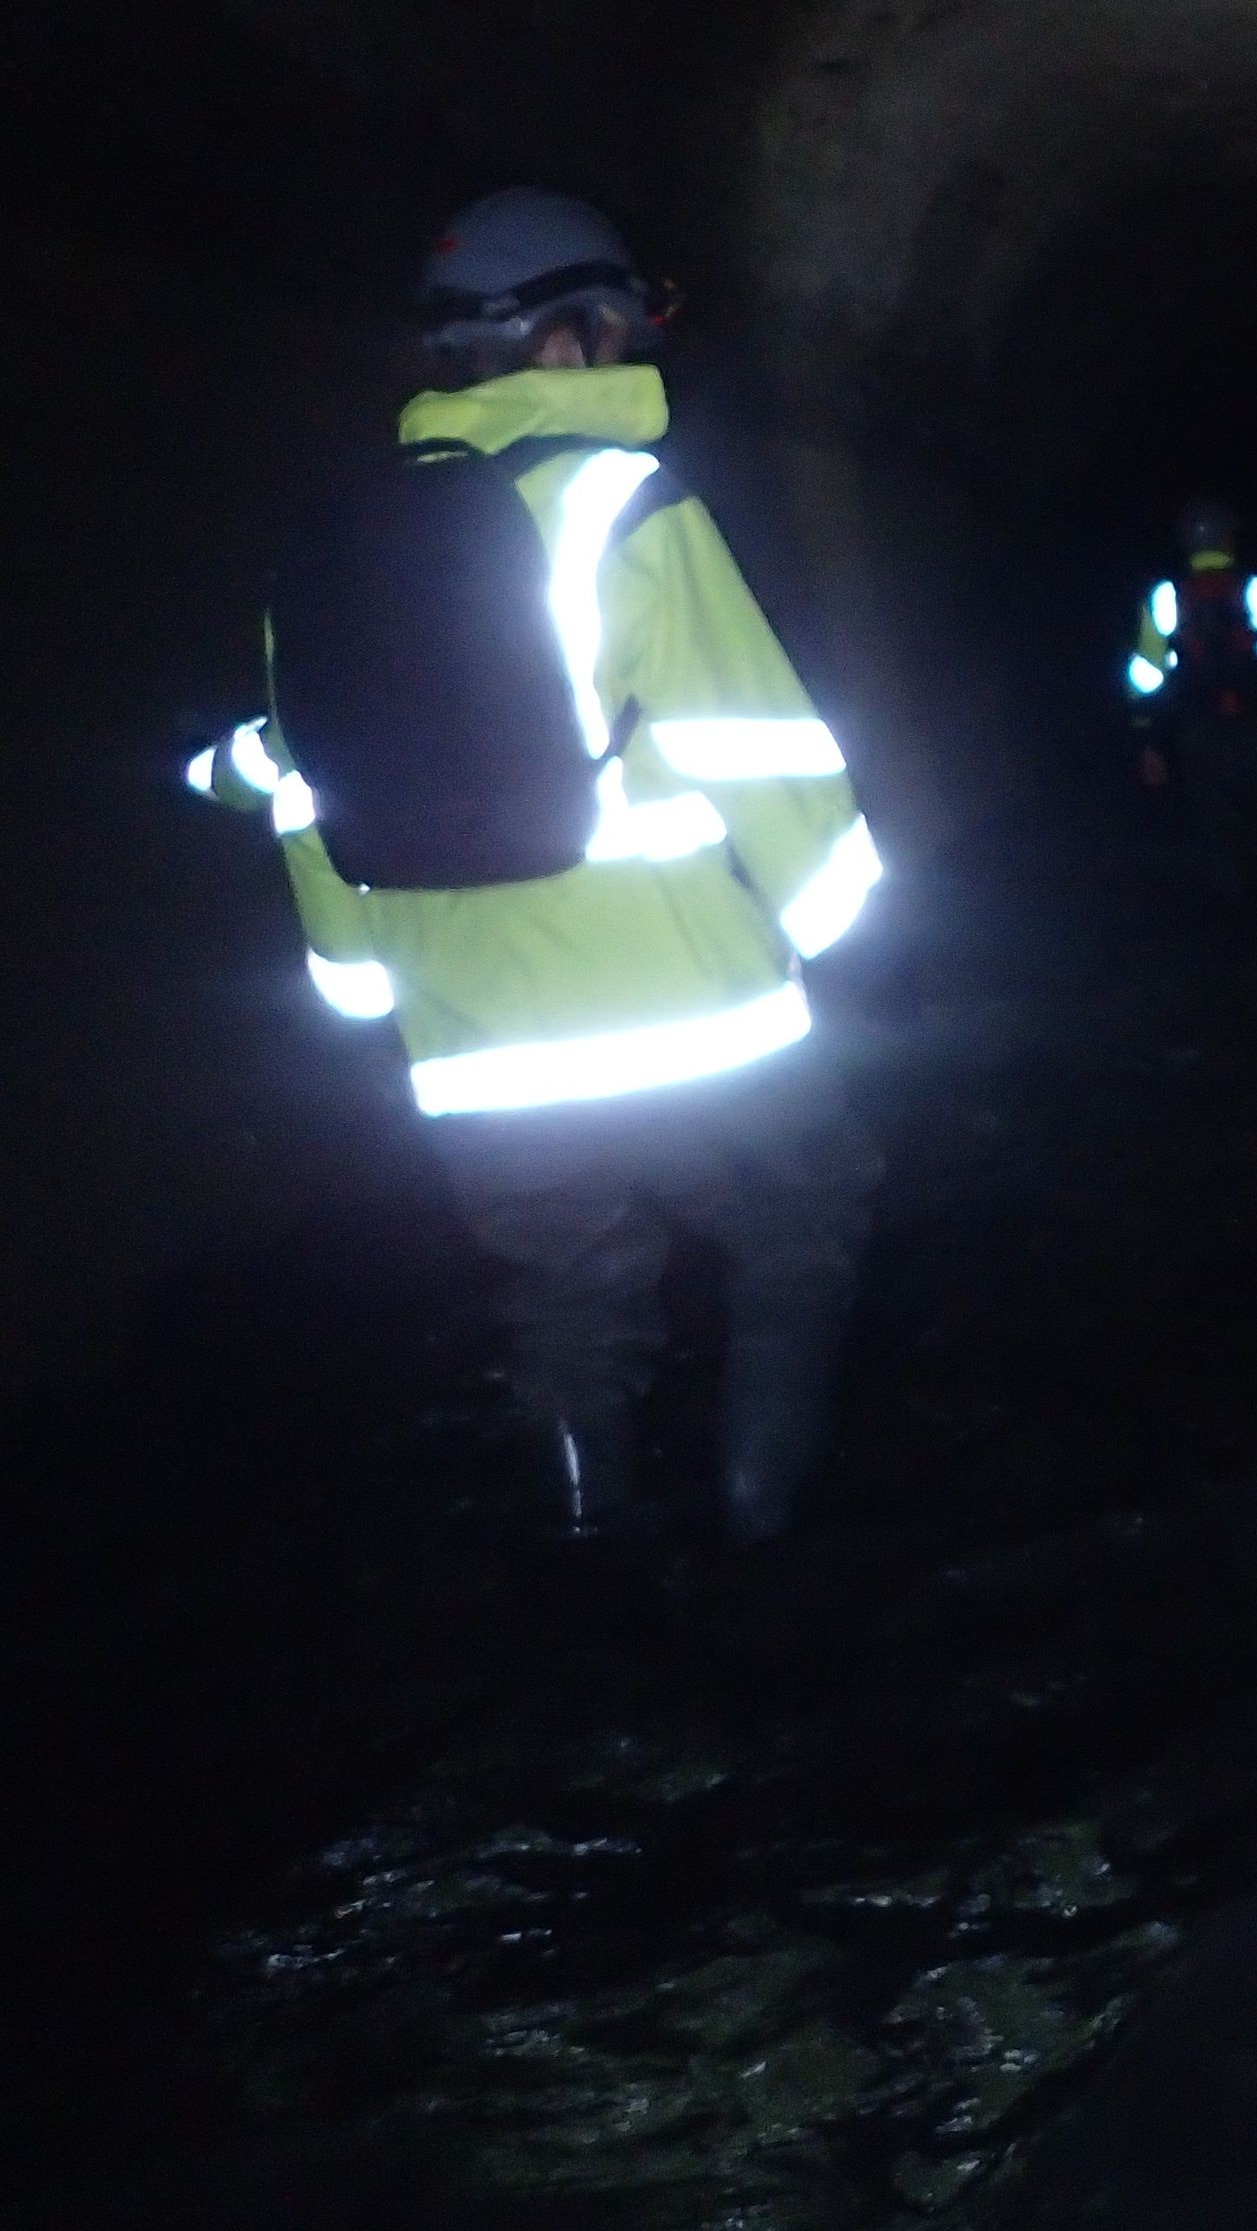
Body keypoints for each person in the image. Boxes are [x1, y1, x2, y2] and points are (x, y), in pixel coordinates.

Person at [187, 189, 886, 1541]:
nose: (631, 355)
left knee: (571, 1296)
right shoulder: (621, 500)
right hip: (699, 1010)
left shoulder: (322, 543)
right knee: (806, 1214)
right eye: (620, 326)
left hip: (473, 1048)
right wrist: (841, 913)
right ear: (568, 336)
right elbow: (754, 738)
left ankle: (593, 1579)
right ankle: (763, 1532)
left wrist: (364, 986)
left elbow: (302, 784)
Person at [1129, 494, 1257, 903]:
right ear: (1229, 540)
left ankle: (1229, 914)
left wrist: (1148, 737)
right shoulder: (1256, 588)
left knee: (1214, 820)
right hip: (1256, 720)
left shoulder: (1165, 596)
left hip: (1197, 725)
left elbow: (1147, 673)